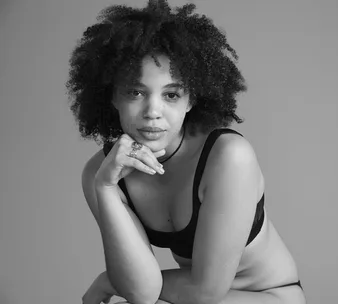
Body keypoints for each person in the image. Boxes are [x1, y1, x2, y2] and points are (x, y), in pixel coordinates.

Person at [66, 1, 306, 303]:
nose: (153, 111)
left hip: (268, 297)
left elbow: (205, 292)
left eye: (171, 95)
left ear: (191, 100)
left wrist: (109, 282)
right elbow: (140, 292)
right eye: (135, 92)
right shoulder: (101, 173)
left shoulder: (228, 157)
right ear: (112, 96)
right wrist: (105, 187)